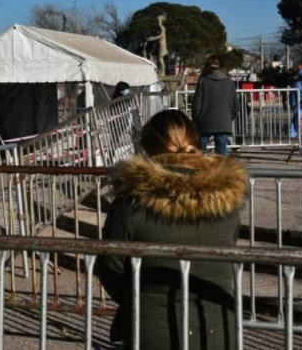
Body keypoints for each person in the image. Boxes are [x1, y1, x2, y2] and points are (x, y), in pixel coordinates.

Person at [97, 109, 246, 349]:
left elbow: (111, 267)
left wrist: (136, 299)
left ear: (146, 149)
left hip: (152, 328)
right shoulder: (228, 199)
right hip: (220, 327)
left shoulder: (132, 200)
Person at [191, 55, 238, 155]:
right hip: (224, 122)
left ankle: (198, 170)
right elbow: (235, 105)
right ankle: (219, 170)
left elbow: (197, 102)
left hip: (204, 121)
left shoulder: (203, 80)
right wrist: (229, 118)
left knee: (198, 152)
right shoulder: (229, 82)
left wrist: (196, 119)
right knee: (220, 155)